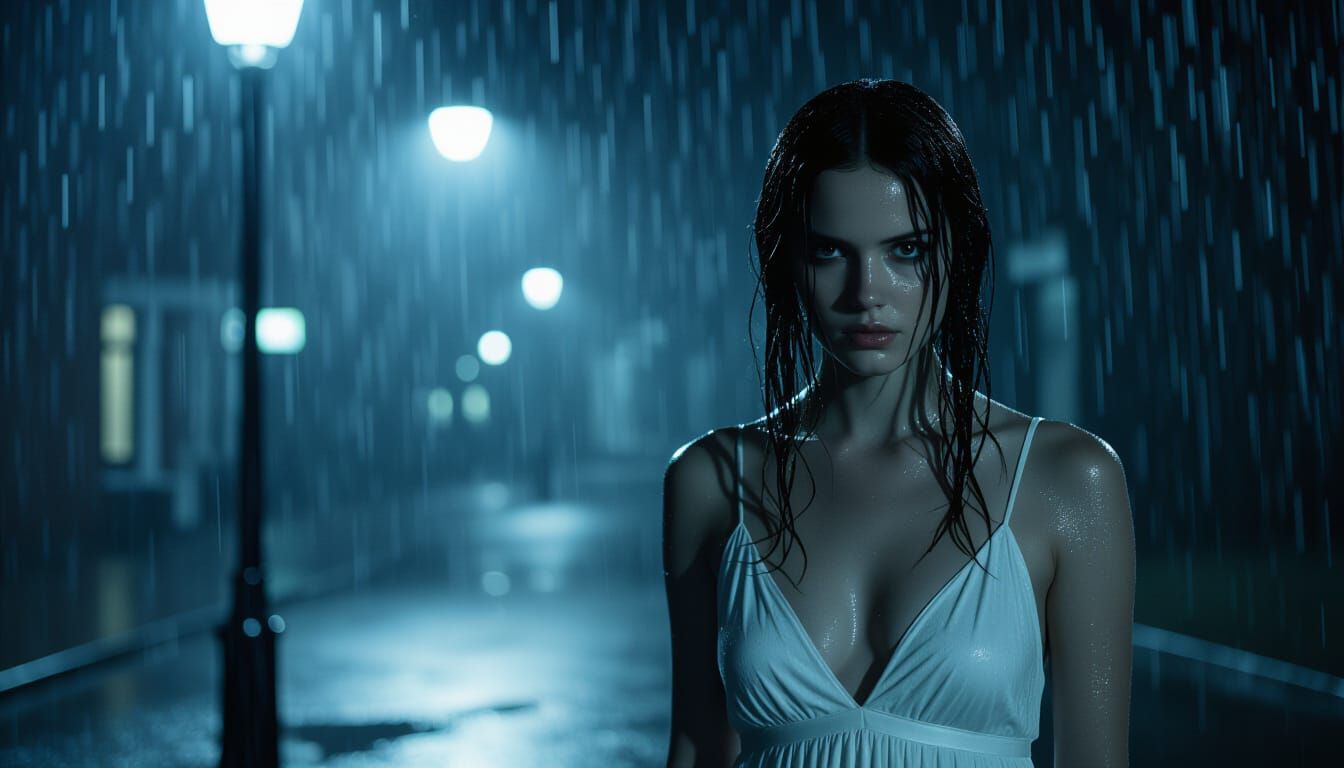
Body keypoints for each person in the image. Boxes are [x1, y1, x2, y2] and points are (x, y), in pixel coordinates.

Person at [662, 79, 1135, 767]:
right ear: (786, 256)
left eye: (905, 250)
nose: (866, 294)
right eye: (831, 251)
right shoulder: (710, 479)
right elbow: (698, 747)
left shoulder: (1066, 476)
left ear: (956, 250)